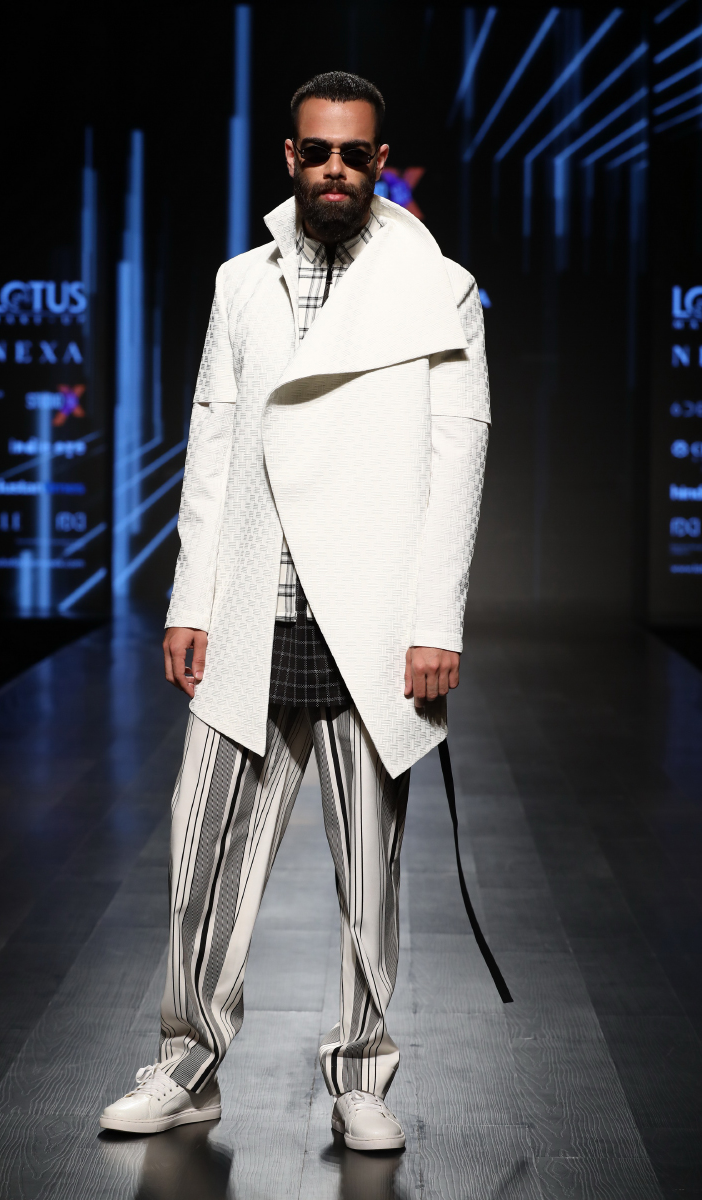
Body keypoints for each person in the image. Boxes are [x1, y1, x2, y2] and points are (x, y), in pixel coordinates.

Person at [100, 70, 490, 1153]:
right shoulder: (242, 285)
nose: (333, 170)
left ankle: (361, 1075)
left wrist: (437, 620)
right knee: (200, 856)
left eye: (353, 154)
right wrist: (190, 596)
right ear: (289, 157)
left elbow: (458, 456)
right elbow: (215, 441)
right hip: (252, 610)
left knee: (369, 874)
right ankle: (186, 1066)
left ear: (380, 162)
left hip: (370, 617)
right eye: (316, 151)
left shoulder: (438, 289)